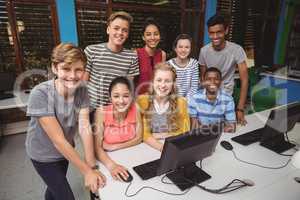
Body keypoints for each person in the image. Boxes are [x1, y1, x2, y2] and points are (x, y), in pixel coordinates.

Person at [25, 43, 106, 200]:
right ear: (55, 68)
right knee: (65, 195)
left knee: (54, 186)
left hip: (64, 153)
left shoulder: (82, 91)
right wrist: (87, 172)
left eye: (78, 70)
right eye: (66, 69)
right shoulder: (40, 94)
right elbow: (58, 141)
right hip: (42, 155)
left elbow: (84, 126)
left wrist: (91, 165)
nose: (72, 75)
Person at [198, 14, 248, 125]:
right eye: (211, 33)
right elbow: (203, 78)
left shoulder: (237, 50)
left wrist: (240, 108)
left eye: (219, 32)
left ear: (226, 31)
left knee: (226, 129)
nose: (215, 36)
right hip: (209, 97)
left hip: (226, 96)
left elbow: (244, 80)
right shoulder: (204, 51)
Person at [83, 11, 139, 109]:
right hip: (91, 108)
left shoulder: (132, 57)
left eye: (124, 30)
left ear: (128, 34)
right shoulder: (91, 51)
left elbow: (127, 88)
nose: (120, 33)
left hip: (116, 111)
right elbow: (83, 83)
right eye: (116, 28)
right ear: (108, 29)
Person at [94, 76, 142, 181]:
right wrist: (112, 166)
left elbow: (139, 138)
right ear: (110, 98)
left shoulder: (136, 108)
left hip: (134, 157)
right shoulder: (101, 112)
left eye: (126, 96)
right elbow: (97, 147)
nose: (121, 101)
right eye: (116, 96)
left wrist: (114, 146)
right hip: (108, 160)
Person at [137, 62, 190, 151]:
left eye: (167, 81)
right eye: (159, 80)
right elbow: (143, 134)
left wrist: (159, 135)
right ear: (152, 82)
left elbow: (185, 131)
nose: (163, 85)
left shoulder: (181, 102)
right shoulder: (142, 101)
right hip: (148, 148)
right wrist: (164, 149)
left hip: (173, 146)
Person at [188, 67, 236, 133]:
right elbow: (193, 125)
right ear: (203, 80)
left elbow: (232, 127)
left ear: (220, 81)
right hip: (200, 136)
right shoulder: (194, 98)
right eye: (208, 79)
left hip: (219, 136)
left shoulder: (228, 99)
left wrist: (214, 133)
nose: (212, 82)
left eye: (216, 79)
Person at [135, 18, 166, 95]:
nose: (152, 38)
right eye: (148, 34)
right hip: (139, 99)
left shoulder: (162, 54)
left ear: (160, 36)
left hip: (157, 98)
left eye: (156, 34)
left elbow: (162, 79)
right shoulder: (136, 54)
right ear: (143, 37)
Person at [167, 33, 199, 98]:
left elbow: (194, 87)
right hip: (172, 100)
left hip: (188, 100)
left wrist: (185, 101)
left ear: (190, 49)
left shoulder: (194, 63)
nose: (183, 50)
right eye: (180, 47)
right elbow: (167, 86)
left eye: (187, 47)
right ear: (175, 48)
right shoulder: (169, 64)